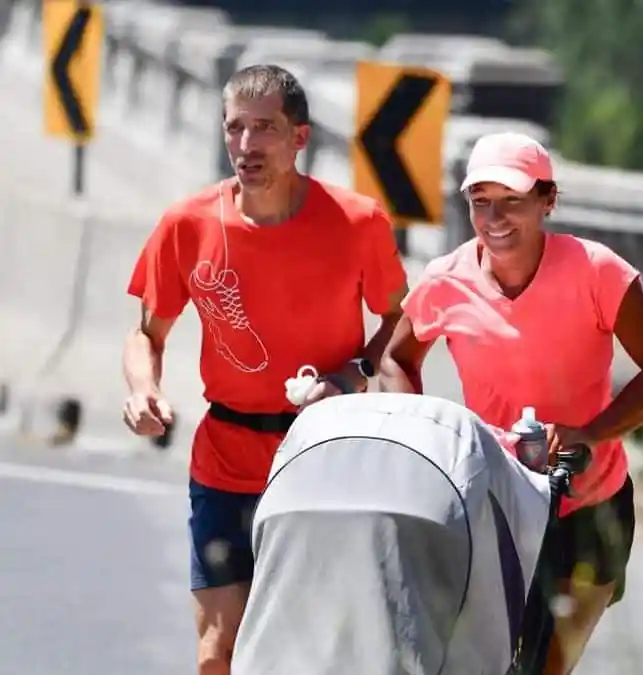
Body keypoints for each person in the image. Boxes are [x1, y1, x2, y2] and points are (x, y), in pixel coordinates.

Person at [121, 64, 410, 675]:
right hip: (226, 457)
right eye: (235, 129)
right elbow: (147, 334)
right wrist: (143, 389)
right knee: (216, 654)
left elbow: (400, 322)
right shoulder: (187, 224)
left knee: (311, 652)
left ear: (300, 138)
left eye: (265, 129)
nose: (246, 146)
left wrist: (352, 373)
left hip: (322, 456)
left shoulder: (357, 222)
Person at [378, 131, 643, 674]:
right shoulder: (445, 281)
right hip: (493, 505)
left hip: (590, 506)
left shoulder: (597, 271)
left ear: (548, 200)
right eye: (480, 203)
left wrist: (591, 432)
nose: (495, 218)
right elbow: (395, 359)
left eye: (513, 202)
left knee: (544, 668)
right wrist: (420, 441)